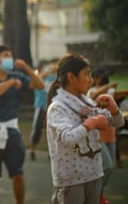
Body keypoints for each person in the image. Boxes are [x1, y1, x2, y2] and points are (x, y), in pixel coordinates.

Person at [46, 53, 124, 204]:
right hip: (71, 180)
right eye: (86, 75)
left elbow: (118, 122)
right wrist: (92, 123)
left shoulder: (88, 104)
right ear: (71, 77)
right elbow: (68, 138)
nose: (91, 80)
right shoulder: (57, 108)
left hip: (93, 174)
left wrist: (114, 109)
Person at [0, 44, 44, 204]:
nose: (10, 58)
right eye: (6, 55)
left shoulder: (18, 76)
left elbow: (40, 86)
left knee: (18, 173)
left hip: (11, 131)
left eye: (10, 55)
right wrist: (10, 82)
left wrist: (26, 68)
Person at [88, 66, 128, 204]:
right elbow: (93, 96)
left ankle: (99, 195)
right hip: (98, 137)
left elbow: (121, 94)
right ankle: (94, 194)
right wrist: (111, 85)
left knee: (109, 169)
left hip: (110, 135)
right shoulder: (91, 91)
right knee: (107, 166)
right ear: (96, 78)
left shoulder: (111, 92)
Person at [29, 60, 57, 161]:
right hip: (40, 106)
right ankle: (32, 149)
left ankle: (51, 153)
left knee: (51, 130)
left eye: (48, 67)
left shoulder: (53, 77)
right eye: (45, 67)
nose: (47, 68)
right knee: (37, 128)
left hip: (51, 107)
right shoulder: (37, 76)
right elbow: (32, 85)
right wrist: (43, 74)